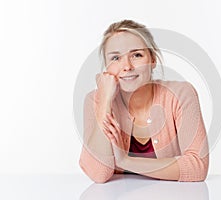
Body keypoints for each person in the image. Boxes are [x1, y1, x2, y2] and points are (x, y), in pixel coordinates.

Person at [79, 19, 209, 183]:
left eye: (137, 55)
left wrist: (126, 161)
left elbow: (197, 168)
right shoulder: (95, 100)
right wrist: (105, 103)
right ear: (106, 66)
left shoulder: (181, 94)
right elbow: (97, 174)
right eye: (115, 58)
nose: (127, 66)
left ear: (153, 59)